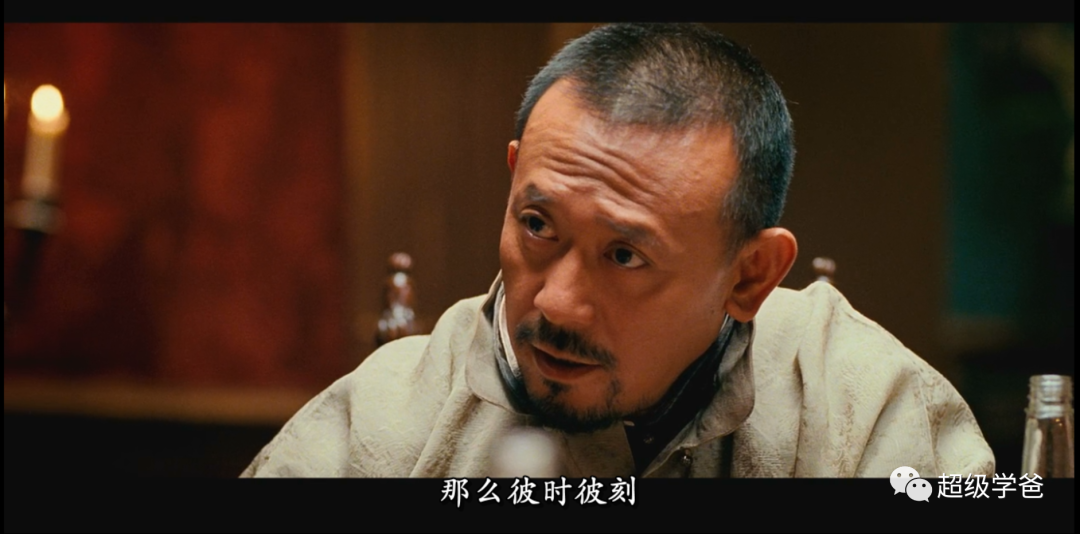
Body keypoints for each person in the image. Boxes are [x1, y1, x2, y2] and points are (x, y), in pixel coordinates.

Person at [242, 23, 994, 478]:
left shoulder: (862, 408)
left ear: (750, 275)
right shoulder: (386, 420)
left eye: (625, 256)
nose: (556, 303)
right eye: (538, 225)